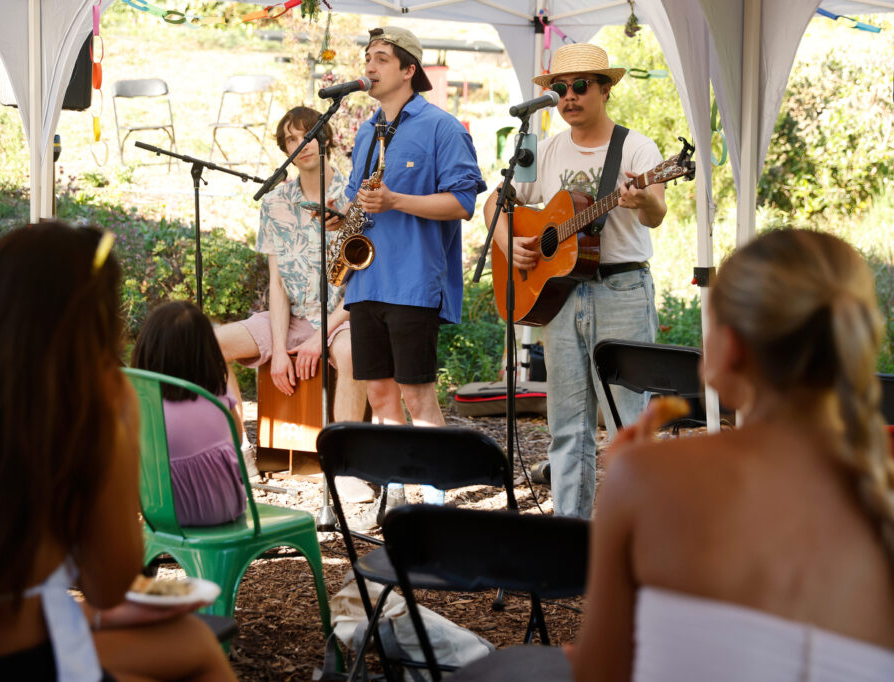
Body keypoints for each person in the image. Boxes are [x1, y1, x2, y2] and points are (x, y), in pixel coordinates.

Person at [0, 223, 235, 682]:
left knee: (188, 643)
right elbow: (110, 584)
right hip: (6, 664)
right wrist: (125, 427)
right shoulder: (84, 416)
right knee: (198, 650)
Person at [572, 229, 894, 680]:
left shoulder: (645, 479)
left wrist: (629, 480)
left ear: (733, 347)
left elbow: (599, 673)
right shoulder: (879, 490)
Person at [482, 42, 667, 519]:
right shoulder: (543, 150)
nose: (569, 96)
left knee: (629, 426)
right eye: (560, 88)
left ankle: (634, 537)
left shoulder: (637, 148)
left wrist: (643, 200)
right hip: (559, 295)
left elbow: (656, 213)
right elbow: (494, 202)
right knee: (567, 427)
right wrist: (508, 241)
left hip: (621, 290)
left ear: (605, 90)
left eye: (581, 86)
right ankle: (570, 536)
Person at [345, 25, 484, 436]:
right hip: (365, 281)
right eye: (367, 59)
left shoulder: (443, 127)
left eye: (381, 59)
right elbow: (357, 200)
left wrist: (396, 201)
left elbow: (463, 203)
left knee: (417, 396)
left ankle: (433, 477)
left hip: (413, 281)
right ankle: (395, 475)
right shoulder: (366, 130)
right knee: (378, 395)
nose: (370, 67)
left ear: (409, 70)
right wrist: (339, 216)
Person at [215, 107, 366, 467]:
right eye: (292, 139)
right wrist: (280, 349)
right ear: (286, 151)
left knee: (352, 354)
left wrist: (320, 337)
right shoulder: (274, 203)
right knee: (210, 344)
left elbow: (364, 282)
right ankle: (240, 453)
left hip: (343, 317)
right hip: (293, 317)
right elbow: (278, 282)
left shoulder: (355, 196)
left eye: (309, 134)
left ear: (326, 137)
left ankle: (344, 468)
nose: (303, 144)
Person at [132, 301, 247, 527]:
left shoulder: (139, 400)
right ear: (206, 350)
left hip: (159, 511)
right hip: (224, 508)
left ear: (148, 348)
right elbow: (238, 440)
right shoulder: (218, 392)